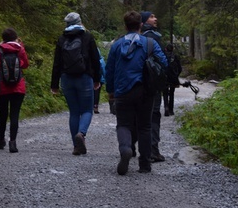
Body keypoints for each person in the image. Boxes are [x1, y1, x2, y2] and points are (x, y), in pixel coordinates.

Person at [106, 10, 168, 175]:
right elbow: (163, 63)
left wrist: (110, 91)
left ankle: (126, 148)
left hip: (122, 91)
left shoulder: (117, 45)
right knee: (145, 126)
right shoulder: (149, 43)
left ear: (125, 26)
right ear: (141, 25)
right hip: (145, 91)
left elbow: (109, 70)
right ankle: (145, 164)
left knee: (124, 124)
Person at [50, 12, 102, 155]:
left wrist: (54, 84)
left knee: (74, 112)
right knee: (86, 110)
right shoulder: (87, 37)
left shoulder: (62, 39)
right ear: (80, 22)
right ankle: (82, 134)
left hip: (66, 78)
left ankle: (76, 146)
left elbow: (57, 63)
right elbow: (95, 59)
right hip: (84, 77)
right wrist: (97, 79)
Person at [0, 27, 30, 153]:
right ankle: (13, 142)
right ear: (15, 37)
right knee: (14, 114)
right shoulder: (20, 48)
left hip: (2, 87)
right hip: (18, 87)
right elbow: (25, 65)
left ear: (3, 38)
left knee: (3, 114)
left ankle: (0, 141)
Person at [141, 11, 166, 162]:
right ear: (144, 20)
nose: (155, 18)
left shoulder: (135, 37)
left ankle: (131, 147)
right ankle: (153, 150)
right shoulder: (154, 38)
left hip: (137, 83)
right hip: (152, 83)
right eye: (151, 17)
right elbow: (163, 62)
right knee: (154, 115)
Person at [163, 43, 182, 116]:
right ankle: (171, 110)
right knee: (171, 93)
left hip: (164, 76)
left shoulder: (163, 56)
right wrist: (176, 75)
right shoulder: (175, 57)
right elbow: (180, 68)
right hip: (173, 77)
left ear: (166, 49)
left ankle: (166, 107)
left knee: (165, 92)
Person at [94, 49, 106, 113]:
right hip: (99, 79)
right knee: (97, 93)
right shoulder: (101, 61)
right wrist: (105, 78)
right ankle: (95, 106)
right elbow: (104, 70)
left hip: (90, 79)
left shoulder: (89, 61)